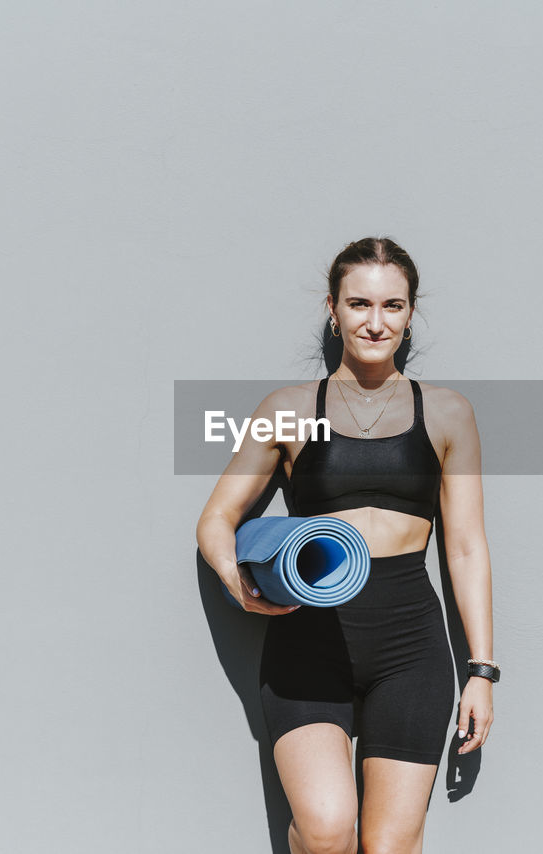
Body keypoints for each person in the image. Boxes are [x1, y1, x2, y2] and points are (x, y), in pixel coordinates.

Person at [196, 237, 496, 854]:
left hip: (409, 643)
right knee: (327, 832)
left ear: (411, 314)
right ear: (333, 310)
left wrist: (482, 670)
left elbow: (465, 548)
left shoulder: (446, 414)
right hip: (308, 639)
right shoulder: (287, 410)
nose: (376, 321)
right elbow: (216, 519)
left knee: (388, 846)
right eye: (360, 303)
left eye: (393, 305)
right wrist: (239, 584)